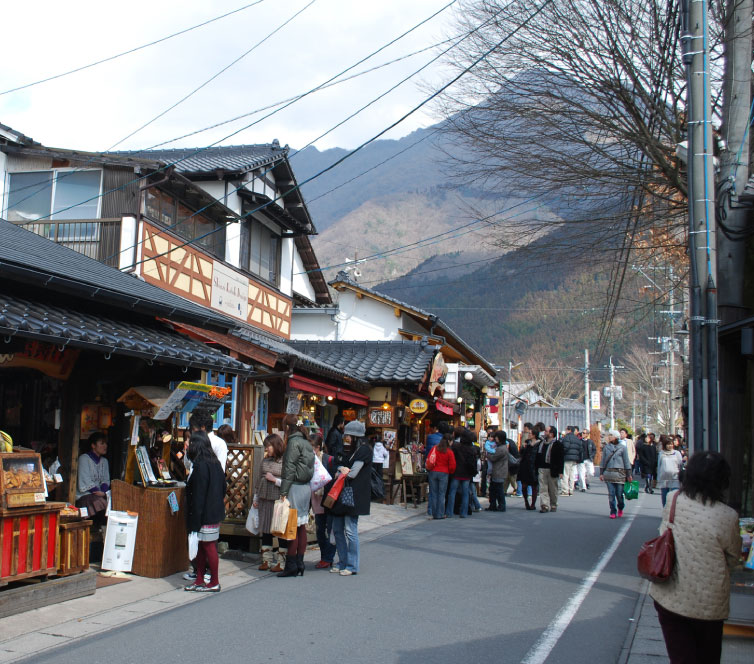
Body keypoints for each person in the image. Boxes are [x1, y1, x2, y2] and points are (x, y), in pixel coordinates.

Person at [650, 452, 742, 664]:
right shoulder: (728, 516)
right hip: (709, 603)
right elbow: (733, 558)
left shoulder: (673, 500)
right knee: (708, 657)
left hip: (671, 596)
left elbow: (664, 533)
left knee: (680, 656)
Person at [184, 431, 226, 592]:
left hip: (204, 514)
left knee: (208, 547)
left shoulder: (201, 466)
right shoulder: (215, 463)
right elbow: (223, 488)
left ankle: (214, 581)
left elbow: (199, 494)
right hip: (214, 512)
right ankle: (200, 579)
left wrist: (195, 518)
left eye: (191, 443)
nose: (188, 446)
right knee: (203, 547)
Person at [330, 419, 372, 575]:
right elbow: (341, 467)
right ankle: (342, 562)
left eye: (348, 435)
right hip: (343, 494)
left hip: (355, 495)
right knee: (338, 529)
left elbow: (353, 473)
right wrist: (341, 469)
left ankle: (352, 565)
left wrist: (341, 470)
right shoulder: (351, 450)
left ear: (355, 436)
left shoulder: (364, 450)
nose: (345, 438)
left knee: (350, 530)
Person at [277, 414, 315, 577]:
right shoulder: (307, 442)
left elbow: (289, 469)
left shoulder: (293, 442)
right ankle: (300, 562)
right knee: (301, 527)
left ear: (287, 427)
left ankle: (291, 565)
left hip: (295, 488)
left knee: (291, 527)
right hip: (305, 487)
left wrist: (283, 492)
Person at [253, 434, 286, 573]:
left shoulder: (285, 462)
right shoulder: (265, 461)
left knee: (279, 530)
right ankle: (266, 559)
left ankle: (281, 561)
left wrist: (274, 480)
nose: (267, 449)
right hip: (264, 499)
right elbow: (258, 478)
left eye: (269, 446)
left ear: (276, 445)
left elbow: (288, 482)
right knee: (265, 529)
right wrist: (255, 498)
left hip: (278, 500)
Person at [310, 435, 337, 569]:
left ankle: (328, 558)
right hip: (316, 500)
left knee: (330, 529)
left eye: (311, 448)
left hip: (328, 499)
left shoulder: (328, 460)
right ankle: (324, 557)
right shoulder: (308, 460)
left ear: (317, 448)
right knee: (320, 530)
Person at [75, 432, 110, 527]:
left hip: (100, 495)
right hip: (85, 495)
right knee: (100, 503)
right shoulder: (84, 459)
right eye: (102, 443)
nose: (105, 446)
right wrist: (97, 492)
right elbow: (85, 480)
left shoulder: (104, 461)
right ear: (93, 446)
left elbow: (106, 480)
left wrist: (103, 492)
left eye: (105, 443)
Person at [445, 426, 480, 518]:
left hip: (456, 473)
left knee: (452, 492)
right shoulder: (473, 449)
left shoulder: (456, 446)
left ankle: (449, 512)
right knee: (465, 493)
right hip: (467, 474)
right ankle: (463, 513)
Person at [599, 430, 632, 519]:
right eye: (609, 435)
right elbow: (603, 461)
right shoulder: (606, 447)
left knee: (619, 494)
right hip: (609, 473)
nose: (609, 437)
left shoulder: (622, 448)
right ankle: (612, 510)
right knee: (611, 494)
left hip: (620, 474)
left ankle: (620, 507)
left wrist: (629, 474)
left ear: (616, 437)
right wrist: (601, 473)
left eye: (611, 435)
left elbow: (626, 461)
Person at [425, 432, 455, 519]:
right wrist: (450, 471)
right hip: (444, 473)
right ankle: (440, 514)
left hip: (433, 472)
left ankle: (434, 513)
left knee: (433, 493)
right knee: (441, 494)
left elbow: (429, 458)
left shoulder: (435, 448)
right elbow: (452, 465)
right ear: (449, 441)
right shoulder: (449, 452)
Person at [535, 426, 564, 513]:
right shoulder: (541, 443)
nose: (545, 433)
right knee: (543, 488)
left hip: (552, 469)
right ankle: (544, 505)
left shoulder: (558, 444)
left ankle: (553, 504)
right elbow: (538, 456)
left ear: (551, 434)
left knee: (553, 489)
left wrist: (560, 471)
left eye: (546, 431)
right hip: (542, 468)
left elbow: (561, 459)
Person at [656, 435, 683, 507]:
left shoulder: (677, 453)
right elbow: (659, 466)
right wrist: (658, 479)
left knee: (674, 497)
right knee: (665, 498)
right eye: (668, 444)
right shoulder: (661, 453)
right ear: (665, 445)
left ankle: (673, 513)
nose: (670, 446)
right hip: (664, 479)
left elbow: (680, 465)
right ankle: (666, 511)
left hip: (675, 478)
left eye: (671, 444)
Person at [486, 430, 509, 512]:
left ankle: (501, 505)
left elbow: (493, 458)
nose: (495, 438)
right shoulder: (501, 447)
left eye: (496, 437)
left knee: (498, 490)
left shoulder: (501, 449)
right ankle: (494, 505)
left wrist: (487, 454)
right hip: (498, 471)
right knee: (494, 489)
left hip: (499, 471)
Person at [518, 423, 539, 510]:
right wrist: (523, 448)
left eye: (530, 433)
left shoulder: (539, 443)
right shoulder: (526, 443)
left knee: (534, 486)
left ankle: (533, 504)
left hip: (534, 466)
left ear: (534, 435)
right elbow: (521, 454)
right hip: (525, 466)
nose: (529, 434)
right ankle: (526, 501)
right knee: (524, 486)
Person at [560, 425, 583, 496]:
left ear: (569, 430)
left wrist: (562, 454)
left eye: (566, 430)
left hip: (567, 458)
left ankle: (565, 490)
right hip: (575, 459)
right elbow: (580, 449)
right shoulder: (577, 439)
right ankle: (571, 489)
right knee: (572, 475)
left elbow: (565, 447)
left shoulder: (567, 438)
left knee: (565, 475)